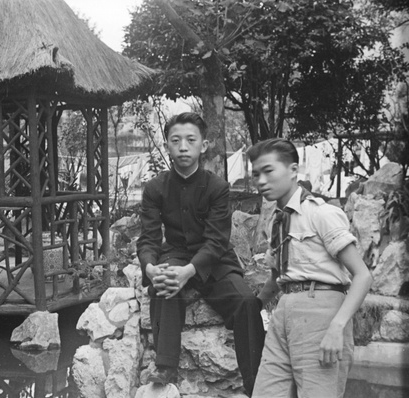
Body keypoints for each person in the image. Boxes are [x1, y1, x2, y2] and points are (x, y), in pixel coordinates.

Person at [137, 112, 265, 396]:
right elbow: (148, 238)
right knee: (164, 284)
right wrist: (150, 268)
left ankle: (256, 383)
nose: (183, 146)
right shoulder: (155, 187)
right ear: (168, 145)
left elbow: (217, 241)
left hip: (215, 262)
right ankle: (166, 366)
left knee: (245, 302)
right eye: (176, 140)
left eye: (190, 140)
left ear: (203, 145)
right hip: (174, 255)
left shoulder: (217, 187)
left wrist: (189, 272)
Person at [247, 138, 373, 398]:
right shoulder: (278, 220)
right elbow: (280, 276)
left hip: (322, 313)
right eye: (256, 174)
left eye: (268, 171)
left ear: (293, 170)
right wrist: (255, 305)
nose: (260, 180)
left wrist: (337, 327)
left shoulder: (321, 214)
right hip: (284, 311)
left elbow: (362, 276)